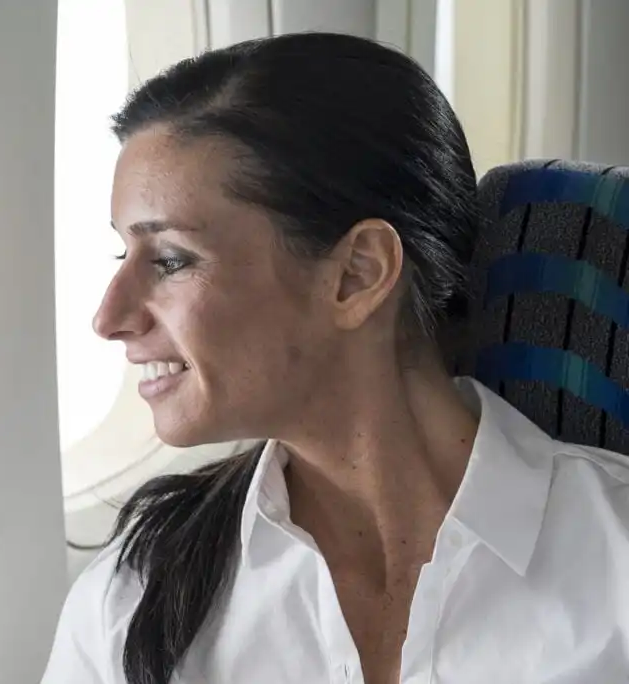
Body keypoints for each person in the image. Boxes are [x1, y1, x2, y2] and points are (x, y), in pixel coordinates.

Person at [41, 32, 629, 684]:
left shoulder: (614, 566)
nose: (110, 318)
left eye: (171, 260)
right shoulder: (133, 596)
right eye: (122, 256)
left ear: (356, 273)